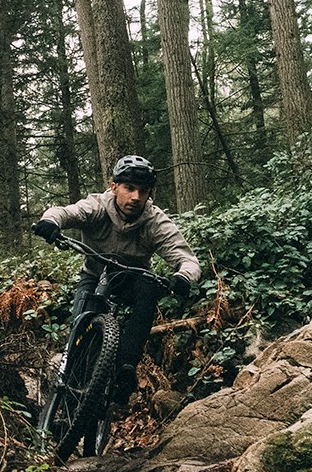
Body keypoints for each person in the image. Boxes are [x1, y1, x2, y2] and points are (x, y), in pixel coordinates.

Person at [32, 154, 201, 410]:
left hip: (133, 280)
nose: (136, 197)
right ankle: (66, 390)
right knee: (79, 329)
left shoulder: (155, 221)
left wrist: (182, 276)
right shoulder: (97, 206)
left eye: (143, 191)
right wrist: (50, 221)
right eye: (129, 188)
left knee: (149, 290)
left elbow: (187, 259)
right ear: (114, 186)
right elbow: (66, 212)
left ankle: (125, 368)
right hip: (94, 275)